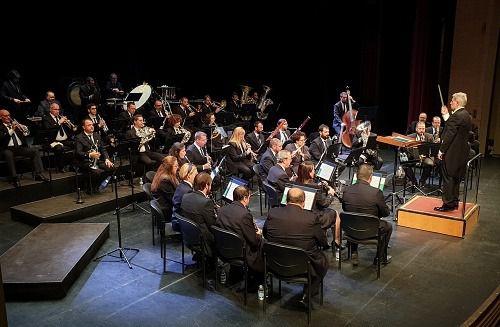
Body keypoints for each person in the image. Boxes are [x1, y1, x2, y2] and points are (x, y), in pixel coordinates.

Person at [264, 187, 328, 304]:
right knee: (322, 261)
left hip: (275, 262)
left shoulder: (273, 213)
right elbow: (322, 242)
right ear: (303, 202)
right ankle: (307, 294)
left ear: (286, 200)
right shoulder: (311, 218)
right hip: (302, 266)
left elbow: (265, 233)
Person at [341, 164, 392, 265]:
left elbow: (345, 208)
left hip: (351, 229)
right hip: (370, 230)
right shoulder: (376, 192)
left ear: (356, 175)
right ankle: (380, 257)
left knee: (354, 218)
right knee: (388, 227)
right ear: (371, 177)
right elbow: (386, 213)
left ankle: (354, 252)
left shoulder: (346, 190)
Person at [216, 186, 264, 289]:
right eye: (249, 197)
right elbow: (253, 241)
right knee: (262, 242)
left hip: (224, 249)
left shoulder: (221, 210)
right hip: (241, 252)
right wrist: (258, 234)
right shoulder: (245, 214)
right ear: (245, 198)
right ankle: (258, 280)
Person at [434, 92, 472, 212]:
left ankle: (448, 204)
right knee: (455, 178)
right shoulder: (466, 115)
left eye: (452, 100)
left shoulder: (457, 116)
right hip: (461, 153)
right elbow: (453, 126)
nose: (450, 102)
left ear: (458, 102)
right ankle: (454, 202)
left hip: (452, 153)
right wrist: (446, 115)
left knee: (448, 177)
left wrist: (441, 150)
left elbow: (450, 134)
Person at [296, 161, 342, 249]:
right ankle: (337, 241)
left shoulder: (296, 182)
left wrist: (319, 187)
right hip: (314, 216)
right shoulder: (314, 187)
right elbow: (324, 203)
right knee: (335, 213)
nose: (314, 172)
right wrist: (330, 194)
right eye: (313, 170)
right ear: (308, 173)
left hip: (301, 213)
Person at [0, 109, 47, 187]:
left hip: (19, 148)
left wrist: (24, 129)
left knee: (34, 151)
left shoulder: (15, 123)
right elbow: (2, 139)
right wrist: (12, 130)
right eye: (6, 116)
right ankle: (14, 178)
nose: (8, 117)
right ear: (1, 117)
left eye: (9, 115)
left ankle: (38, 174)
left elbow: (25, 135)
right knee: (8, 154)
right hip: (7, 148)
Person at [180, 172, 216, 258]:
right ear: (206, 186)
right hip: (203, 239)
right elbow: (213, 224)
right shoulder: (206, 202)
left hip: (188, 236)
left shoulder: (185, 197)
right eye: (210, 185)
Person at [74, 118, 114, 191]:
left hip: (97, 160)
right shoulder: (79, 137)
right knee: (98, 172)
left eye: (92, 124)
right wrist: (89, 154)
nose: (92, 126)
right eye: (89, 125)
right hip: (85, 161)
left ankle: (99, 185)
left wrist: (107, 159)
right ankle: (91, 188)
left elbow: (102, 149)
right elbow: (78, 152)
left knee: (111, 167)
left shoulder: (96, 135)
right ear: (83, 127)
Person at [402, 121, 434, 187]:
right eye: (420, 128)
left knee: (430, 164)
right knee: (404, 163)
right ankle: (414, 181)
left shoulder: (430, 137)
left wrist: (426, 155)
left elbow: (432, 149)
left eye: (423, 128)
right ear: (416, 129)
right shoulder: (410, 137)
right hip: (413, 157)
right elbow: (406, 149)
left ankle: (422, 181)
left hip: (425, 157)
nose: (421, 130)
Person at [151, 156, 179, 220]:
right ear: (169, 168)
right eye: (175, 166)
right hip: (166, 210)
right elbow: (172, 199)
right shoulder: (164, 180)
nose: (178, 167)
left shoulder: (164, 172)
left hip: (166, 203)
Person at [172, 162, 198, 231]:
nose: (197, 175)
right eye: (195, 174)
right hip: (180, 223)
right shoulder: (187, 191)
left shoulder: (181, 185)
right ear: (189, 175)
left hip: (176, 219)